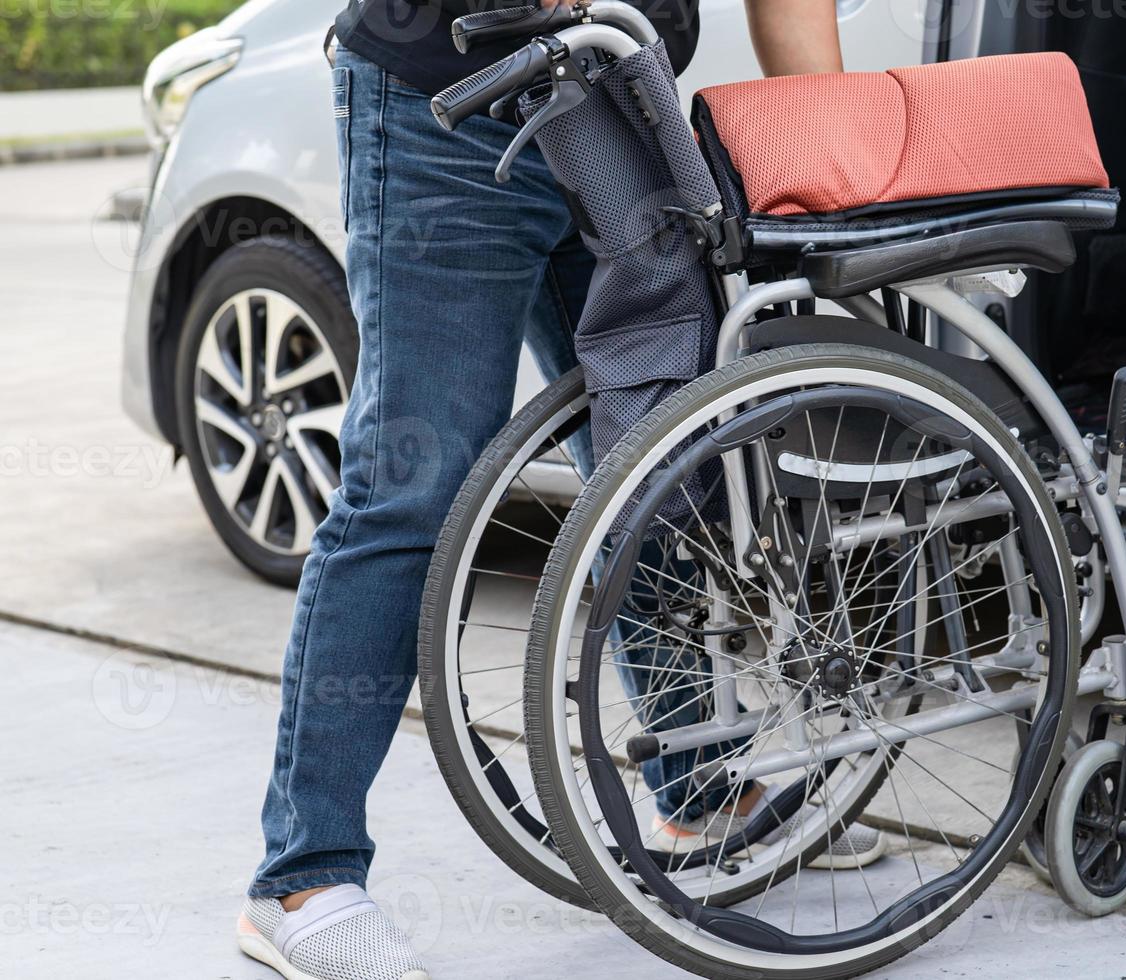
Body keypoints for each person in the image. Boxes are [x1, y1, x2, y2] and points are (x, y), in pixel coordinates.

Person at [234, 2, 882, 978]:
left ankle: (698, 788)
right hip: (443, 108)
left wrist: (833, 151)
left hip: (618, 105)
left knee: (660, 463)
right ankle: (303, 876)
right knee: (412, 485)